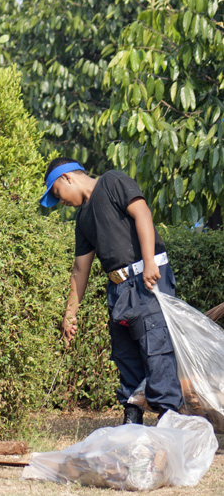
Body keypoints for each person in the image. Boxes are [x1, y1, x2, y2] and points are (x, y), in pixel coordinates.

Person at [40, 158, 183, 425]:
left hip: (147, 279)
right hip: (118, 289)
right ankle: (132, 422)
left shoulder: (113, 181)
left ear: (67, 178)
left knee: (156, 351)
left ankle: (170, 424)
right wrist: (70, 314)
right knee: (125, 354)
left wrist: (150, 260)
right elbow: (80, 269)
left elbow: (142, 213)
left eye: (57, 194)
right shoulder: (83, 219)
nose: (61, 202)